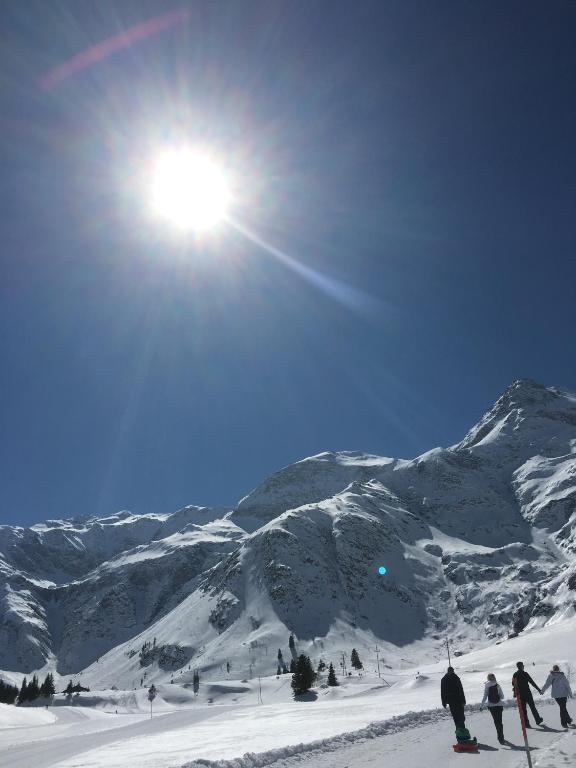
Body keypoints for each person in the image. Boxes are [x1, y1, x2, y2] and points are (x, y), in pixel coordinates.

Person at [512, 661, 543, 727]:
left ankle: (526, 723)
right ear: (522, 666)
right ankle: (538, 720)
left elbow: (513, 684)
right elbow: (532, 682)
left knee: (523, 709)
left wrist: (515, 692)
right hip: (527, 693)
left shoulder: (515, 674)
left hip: (520, 694)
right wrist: (538, 689)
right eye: (523, 665)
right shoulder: (525, 674)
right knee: (532, 707)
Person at [480, 673, 506, 744]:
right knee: (500, 721)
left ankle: (500, 737)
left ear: (488, 678)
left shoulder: (487, 685)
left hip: (492, 706)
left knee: (496, 721)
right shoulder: (497, 685)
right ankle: (501, 737)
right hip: (499, 705)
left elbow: (485, 696)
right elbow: (502, 696)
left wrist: (481, 706)